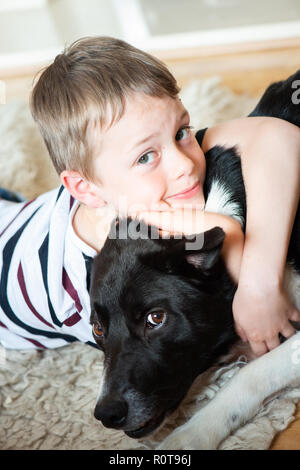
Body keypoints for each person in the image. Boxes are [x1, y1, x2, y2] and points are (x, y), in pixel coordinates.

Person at [0, 36, 299, 356]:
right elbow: (223, 234)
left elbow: (276, 135)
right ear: (85, 188)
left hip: (22, 213)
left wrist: (260, 280)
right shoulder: (93, 284)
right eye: (145, 157)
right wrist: (256, 291)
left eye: (181, 132)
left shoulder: (147, 158)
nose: (184, 163)